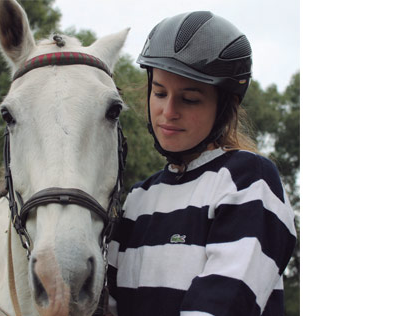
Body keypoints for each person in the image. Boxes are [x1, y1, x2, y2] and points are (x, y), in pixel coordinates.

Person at [107, 11, 296, 316]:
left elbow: (225, 304)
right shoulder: (138, 199)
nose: (168, 111)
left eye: (190, 99)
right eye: (159, 93)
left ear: (225, 106)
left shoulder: (249, 180)